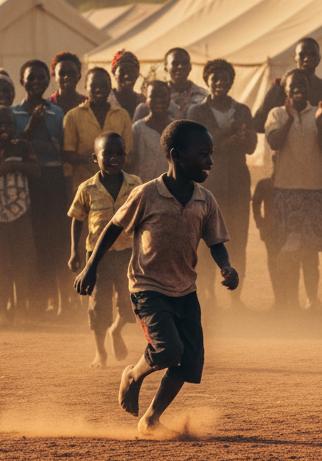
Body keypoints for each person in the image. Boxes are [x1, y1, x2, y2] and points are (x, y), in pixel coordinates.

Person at [73, 120, 237, 440]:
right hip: (148, 288)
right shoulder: (147, 193)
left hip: (185, 291)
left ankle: (151, 418)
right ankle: (133, 375)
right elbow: (113, 228)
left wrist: (226, 267)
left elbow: (215, 241)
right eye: (203, 154)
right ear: (176, 156)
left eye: (211, 154)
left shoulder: (206, 200)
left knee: (186, 363)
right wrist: (91, 267)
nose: (210, 162)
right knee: (167, 350)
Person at [67, 133, 141, 367]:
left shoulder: (135, 184)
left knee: (132, 302)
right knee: (99, 306)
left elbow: (145, 216)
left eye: (119, 153)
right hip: (97, 257)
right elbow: (77, 219)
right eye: (107, 154)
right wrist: (75, 252)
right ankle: (100, 353)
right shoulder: (87, 187)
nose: (113, 158)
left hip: (128, 252)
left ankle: (116, 331)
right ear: (94, 157)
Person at [265, 70, 322, 309]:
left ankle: (312, 300)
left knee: (311, 250)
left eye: (303, 85)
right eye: (293, 85)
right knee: (290, 249)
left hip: (316, 190)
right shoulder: (276, 113)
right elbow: (275, 142)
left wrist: (318, 121)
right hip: (288, 191)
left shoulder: (319, 113)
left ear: (309, 89)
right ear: (285, 89)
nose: (299, 89)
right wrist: (288, 117)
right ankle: (290, 301)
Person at [187, 59, 257, 302]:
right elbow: (198, 147)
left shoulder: (243, 110)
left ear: (231, 81)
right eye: (215, 79)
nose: (220, 83)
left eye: (225, 78)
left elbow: (251, 146)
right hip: (208, 188)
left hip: (237, 188)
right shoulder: (197, 112)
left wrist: (239, 139)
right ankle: (208, 297)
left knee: (237, 242)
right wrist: (227, 134)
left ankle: (235, 298)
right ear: (207, 81)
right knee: (206, 244)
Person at [0, 106, 40, 324]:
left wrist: (14, 163)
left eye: (9, 124)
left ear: (15, 126)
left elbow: (36, 170)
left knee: (23, 263)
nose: (3, 128)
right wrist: (3, 169)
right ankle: (2, 311)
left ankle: (21, 310)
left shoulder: (22, 145)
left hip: (21, 213)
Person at [12, 59, 68, 312]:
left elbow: (61, 150)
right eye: (31, 78)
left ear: (49, 80)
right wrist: (32, 127)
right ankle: (33, 300)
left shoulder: (57, 113)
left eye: (41, 78)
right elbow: (13, 147)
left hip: (54, 182)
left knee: (53, 239)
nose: (36, 82)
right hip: (26, 183)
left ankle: (55, 300)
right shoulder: (13, 114)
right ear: (22, 81)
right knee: (29, 241)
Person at [253, 38, 322, 136]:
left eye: (312, 55)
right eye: (302, 55)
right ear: (295, 57)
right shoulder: (280, 88)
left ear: (319, 58)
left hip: (317, 150)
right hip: (286, 149)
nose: (306, 59)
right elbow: (258, 124)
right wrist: (284, 127)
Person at [62, 68, 134, 190]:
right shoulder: (72, 116)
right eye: (94, 85)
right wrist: (86, 158)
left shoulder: (122, 115)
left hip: (116, 188)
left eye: (104, 85)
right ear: (86, 87)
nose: (99, 89)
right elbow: (67, 155)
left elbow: (128, 154)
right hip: (84, 186)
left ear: (110, 87)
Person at [131, 79, 174, 182]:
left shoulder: (177, 129)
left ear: (169, 99)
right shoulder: (137, 130)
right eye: (153, 96)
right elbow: (131, 163)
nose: (159, 100)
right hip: (145, 188)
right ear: (146, 99)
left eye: (163, 96)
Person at [251, 175, 277, 299]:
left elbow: (255, 204)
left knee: (275, 263)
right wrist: (260, 224)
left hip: (275, 230)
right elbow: (256, 204)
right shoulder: (265, 184)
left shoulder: (265, 184)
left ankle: (284, 300)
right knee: (274, 263)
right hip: (271, 230)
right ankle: (281, 299)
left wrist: (260, 223)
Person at [111, 50, 145, 115]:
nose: (127, 75)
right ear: (114, 73)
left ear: (137, 74)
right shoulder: (105, 101)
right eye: (123, 70)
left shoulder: (143, 102)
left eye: (131, 71)